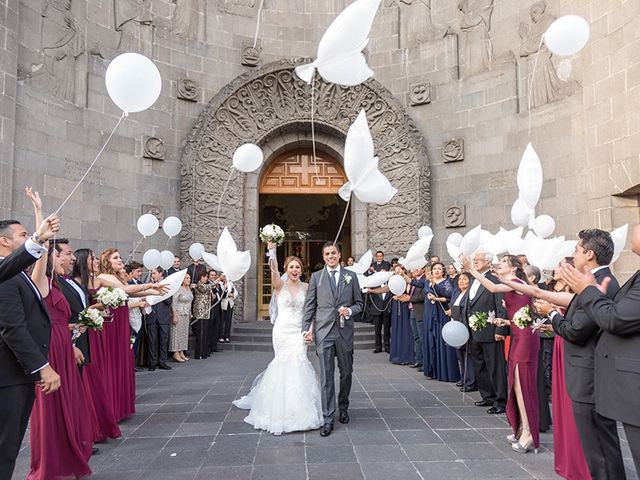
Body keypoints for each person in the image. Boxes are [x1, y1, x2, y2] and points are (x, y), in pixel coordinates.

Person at [560, 223, 640, 475]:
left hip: (619, 382)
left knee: (604, 455)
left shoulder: (603, 280)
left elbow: (614, 320)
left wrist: (586, 290)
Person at [233, 242, 323, 435]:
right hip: (282, 331)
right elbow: (272, 269)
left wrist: (310, 330)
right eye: (291, 267)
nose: (295, 270)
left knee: (299, 362)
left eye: (298, 266)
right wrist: (271, 251)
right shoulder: (278, 285)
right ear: (286, 269)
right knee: (282, 365)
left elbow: (311, 311)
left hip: (299, 331)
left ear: (301, 269)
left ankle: (300, 412)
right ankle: (278, 411)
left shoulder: (307, 287)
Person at [27, 229, 94, 479]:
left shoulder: (57, 284)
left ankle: (69, 453)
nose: (71, 260)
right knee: (51, 408)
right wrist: (41, 223)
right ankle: (50, 463)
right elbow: (41, 254)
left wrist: (72, 343)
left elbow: (59, 322)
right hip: (50, 351)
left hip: (64, 348)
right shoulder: (40, 282)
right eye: (63, 255)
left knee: (70, 404)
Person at [0, 214, 61, 479]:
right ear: (3, 241)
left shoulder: (14, 274)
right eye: (22, 235)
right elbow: (13, 328)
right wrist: (42, 367)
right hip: (8, 377)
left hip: (16, 375)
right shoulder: (6, 278)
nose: (27, 237)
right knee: (4, 449)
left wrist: (38, 238)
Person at [464, 255, 539, 453]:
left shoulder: (513, 281)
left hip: (524, 339)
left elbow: (494, 288)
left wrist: (471, 269)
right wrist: (505, 322)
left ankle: (529, 432)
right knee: (515, 385)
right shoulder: (513, 282)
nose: (500, 264)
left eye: (504, 262)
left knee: (522, 385)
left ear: (514, 268)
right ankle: (521, 427)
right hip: (517, 334)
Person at [302, 241, 363, 437]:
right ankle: (328, 418)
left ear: (339, 254)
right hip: (324, 332)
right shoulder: (316, 277)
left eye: (333, 253)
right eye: (327, 253)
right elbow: (310, 305)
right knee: (326, 376)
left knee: (346, 373)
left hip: (344, 332)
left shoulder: (350, 276)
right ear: (323, 256)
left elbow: (360, 304)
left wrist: (350, 310)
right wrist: (306, 329)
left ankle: (343, 406)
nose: (330, 256)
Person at [462, 251, 508, 414]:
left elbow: (500, 305)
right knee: (480, 365)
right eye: (473, 260)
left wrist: (500, 329)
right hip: (474, 330)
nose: (474, 262)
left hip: (490, 330)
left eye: (478, 260)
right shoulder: (474, 279)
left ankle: (500, 400)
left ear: (488, 262)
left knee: (495, 366)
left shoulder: (494, 279)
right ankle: (487, 395)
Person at [422, 262, 459, 382]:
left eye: (439, 269)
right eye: (434, 269)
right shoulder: (427, 281)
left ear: (443, 271)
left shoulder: (446, 282)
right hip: (429, 313)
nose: (437, 271)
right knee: (429, 339)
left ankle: (445, 372)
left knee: (441, 340)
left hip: (441, 314)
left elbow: (449, 296)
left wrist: (436, 297)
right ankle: (431, 370)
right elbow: (415, 283)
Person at [449, 272, 477, 392]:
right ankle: (464, 378)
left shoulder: (471, 294)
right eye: (460, 279)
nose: (461, 281)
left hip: (466, 327)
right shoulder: (456, 293)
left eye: (465, 279)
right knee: (460, 354)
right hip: (456, 327)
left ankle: (472, 381)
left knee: (468, 355)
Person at [146, 267, 174, 371]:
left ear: (160, 274)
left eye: (154, 273)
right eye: (152, 273)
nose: (152, 275)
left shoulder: (167, 285)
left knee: (164, 340)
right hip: (152, 316)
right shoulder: (149, 285)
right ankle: (152, 363)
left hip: (164, 317)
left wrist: (160, 291)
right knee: (152, 340)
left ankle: (162, 361)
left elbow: (169, 301)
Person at [170, 272, 193, 362]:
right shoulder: (178, 289)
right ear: (182, 280)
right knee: (176, 333)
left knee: (184, 333)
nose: (189, 280)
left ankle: (181, 351)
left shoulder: (188, 289)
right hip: (178, 313)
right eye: (187, 278)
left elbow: (190, 302)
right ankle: (175, 353)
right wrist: (174, 315)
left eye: (189, 278)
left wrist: (190, 312)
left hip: (186, 314)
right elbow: (174, 302)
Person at [408, 267, 426, 370]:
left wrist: (409, 299)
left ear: (423, 269)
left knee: (422, 338)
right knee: (416, 337)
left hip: (420, 311)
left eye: (418, 267)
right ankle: (418, 360)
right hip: (412, 310)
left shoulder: (424, 280)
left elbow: (422, 296)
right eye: (414, 267)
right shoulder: (414, 281)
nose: (415, 269)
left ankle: (425, 362)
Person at [192, 270, 212, 359]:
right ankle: (199, 353)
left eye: (206, 277)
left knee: (205, 332)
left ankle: (204, 352)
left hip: (206, 311)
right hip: (200, 312)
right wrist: (218, 279)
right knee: (201, 332)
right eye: (204, 276)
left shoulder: (206, 285)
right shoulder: (199, 285)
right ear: (200, 277)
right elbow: (205, 289)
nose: (205, 278)